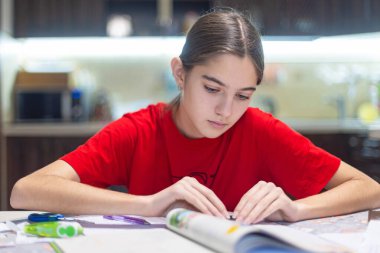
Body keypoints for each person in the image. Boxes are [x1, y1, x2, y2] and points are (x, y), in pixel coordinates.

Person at [10, 8, 380, 225]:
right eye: (212, 89)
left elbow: (369, 189)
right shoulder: (140, 131)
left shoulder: (259, 130)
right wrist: (147, 204)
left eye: (242, 96)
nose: (225, 111)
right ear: (180, 73)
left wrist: (297, 209)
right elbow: (25, 192)